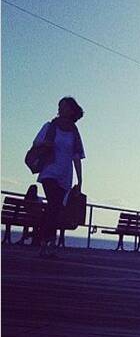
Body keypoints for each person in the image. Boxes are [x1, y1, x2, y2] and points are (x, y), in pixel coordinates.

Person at [32, 97, 85, 258]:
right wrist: (46, 145)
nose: (61, 109)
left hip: (64, 175)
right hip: (49, 171)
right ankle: (44, 241)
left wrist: (80, 180)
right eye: (60, 106)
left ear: (72, 110)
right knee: (54, 204)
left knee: (55, 208)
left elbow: (77, 156)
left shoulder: (74, 132)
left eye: (64, 106)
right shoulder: (50, 127)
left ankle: (45, 243)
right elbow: (36, 143)